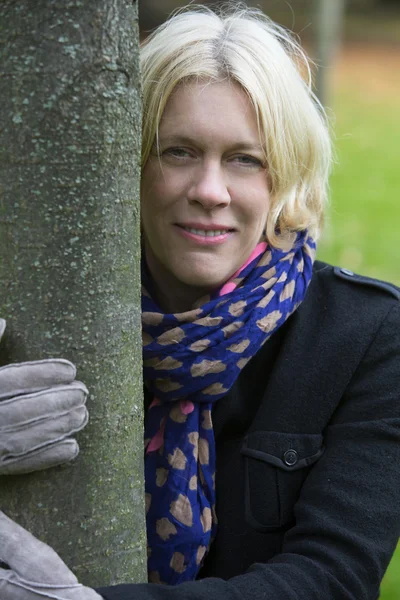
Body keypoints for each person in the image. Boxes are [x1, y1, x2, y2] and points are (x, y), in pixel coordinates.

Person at [1, 4, 400, 600]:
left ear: (284, 177)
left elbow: (331, 578)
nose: (210, 191)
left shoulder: (369, 336)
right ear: (128, 165)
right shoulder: (35, 314)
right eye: (178, 152)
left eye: (245, 159)